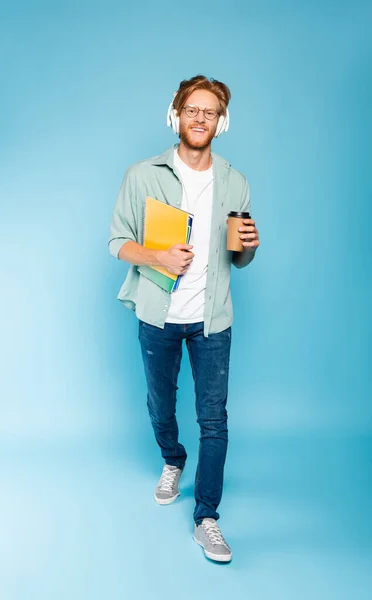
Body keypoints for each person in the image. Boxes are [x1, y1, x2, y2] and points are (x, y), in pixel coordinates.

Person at [109, 75, 260, 562]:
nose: (200, 118)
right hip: (159, 316)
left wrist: (249, 249)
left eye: (209, 112)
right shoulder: (143, 174)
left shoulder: (235, 179)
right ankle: (173, 459)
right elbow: (118, 243)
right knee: (160, 403)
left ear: (222, 121)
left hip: (212, 320)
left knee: (214, 419)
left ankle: (207, 518)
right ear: (175, 115)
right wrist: (158, 257)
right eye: (192, 110)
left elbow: (237, 258)